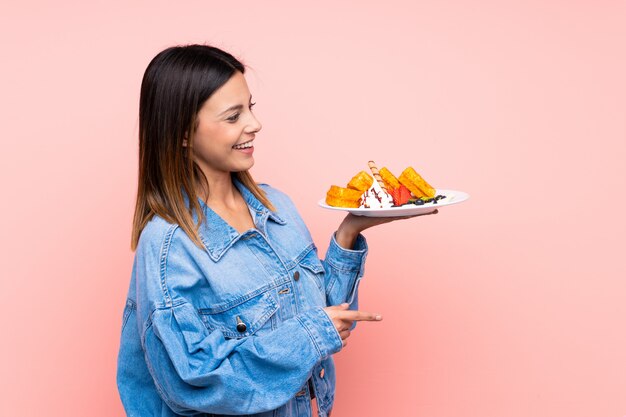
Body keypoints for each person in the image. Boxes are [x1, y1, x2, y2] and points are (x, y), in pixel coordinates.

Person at [116, 44, 437, 417]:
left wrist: (349, 233)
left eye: (250, 108)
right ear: (183, 134)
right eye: (233, 116)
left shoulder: (276, 207)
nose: (254, 124)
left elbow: (326, 317)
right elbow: (192, 381)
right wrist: (310, 335)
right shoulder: (169, 245)